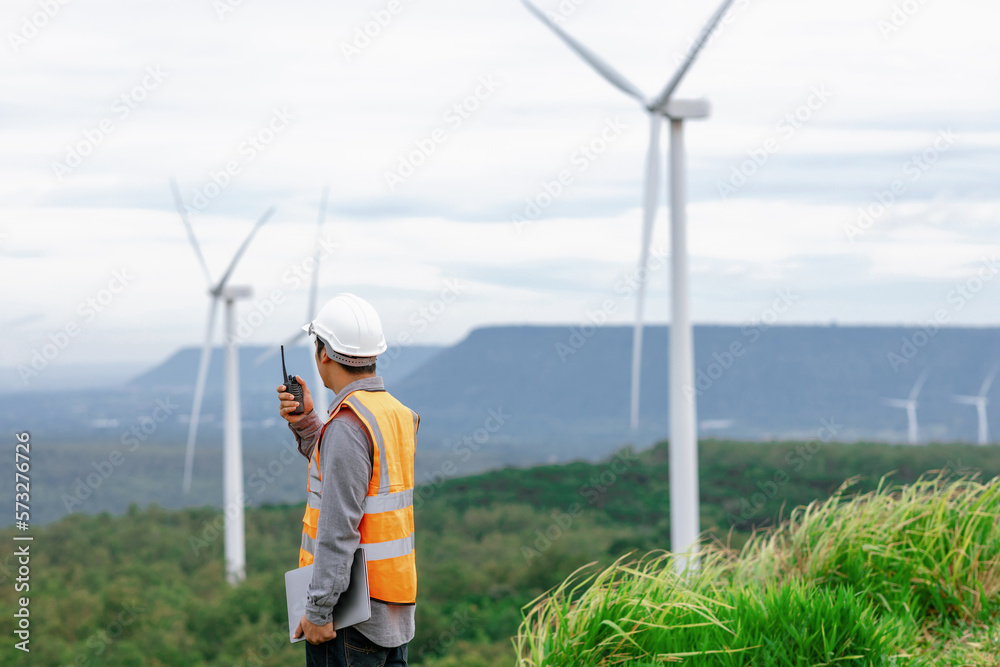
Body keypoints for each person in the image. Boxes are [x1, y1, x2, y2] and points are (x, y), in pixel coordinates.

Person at [277, 293, 417, 666]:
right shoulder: (393, 414)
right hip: (393, 615)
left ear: (323, 353)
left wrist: (319, 612)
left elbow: (339, 529)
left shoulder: (348, 426)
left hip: (349, 622)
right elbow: (350, 474)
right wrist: (308, 423)